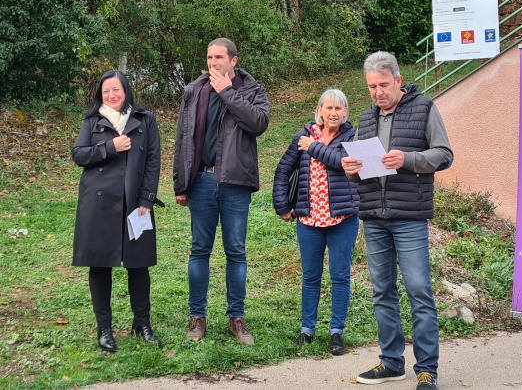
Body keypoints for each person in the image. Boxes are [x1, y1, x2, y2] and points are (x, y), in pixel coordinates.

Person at [342, 51, 453, 390]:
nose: (378, 92)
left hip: (409, 217)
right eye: (372, 87)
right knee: (382, 291)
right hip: (374, 215)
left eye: (384, 85)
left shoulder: (425, 108)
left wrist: (408, 159)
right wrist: (352, 172)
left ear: (399, 81)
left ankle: (427, 370)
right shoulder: (365, 117)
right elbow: (364, 170)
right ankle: (392, 363)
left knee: (419, 290)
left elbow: (444, 154)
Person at [173, 37, 270, 345]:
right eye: (209, 57)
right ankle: (197, 317)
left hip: (235, 182)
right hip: (201, 181)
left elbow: (258, 123)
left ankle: (236, 318)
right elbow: (182, 138)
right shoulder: (194, 90)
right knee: (199, 250)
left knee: (236, 252)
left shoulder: (252, 90)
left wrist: (227, 92)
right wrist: (180, 182)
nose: (213, 62)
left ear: (233, 60)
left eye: (219, 57)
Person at [72, 70, 163, 352]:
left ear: (126, 91)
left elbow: (152, 160)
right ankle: (105, 329)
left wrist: (147, 199)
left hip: (134, 201)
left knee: (139, 264)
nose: (111, 95)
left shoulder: (145, 120)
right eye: (106, 91)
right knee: (99, 264)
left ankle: (142, 323)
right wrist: (110, 146)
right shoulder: (93, 121)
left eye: (116, 90)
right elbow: (79, 155)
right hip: (98, 204)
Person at [272, 89, 360, 356]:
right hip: (309, 218)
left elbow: (345, 164)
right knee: (311, 277)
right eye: (329, 108)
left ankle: (336, 333)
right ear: (320, 110)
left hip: (342, 218)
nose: (333, 113)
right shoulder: (303, 135)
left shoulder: (352, 137)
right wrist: (282, 205)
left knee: (340, 276)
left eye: (339, 108)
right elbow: (283, 169)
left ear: (346, 113)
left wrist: (313, 147)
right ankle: (307, 331)